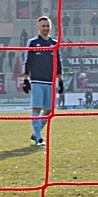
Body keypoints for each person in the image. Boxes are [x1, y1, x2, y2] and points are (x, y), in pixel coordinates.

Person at [22, 16, 60, 147]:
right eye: (43, 26)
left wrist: (60, 79)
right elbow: (27, 61)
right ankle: (39, 138)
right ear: (38, 27)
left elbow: (58, 61)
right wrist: (25, 79)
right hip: (37, 80)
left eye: (48, 26)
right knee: (37, 109)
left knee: (48, 111)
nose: (46, 28)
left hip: (50, 81)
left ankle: (35, 133)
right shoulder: (33, 43)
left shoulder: (54, 43)